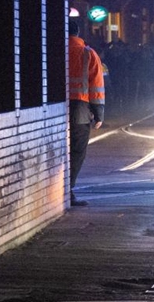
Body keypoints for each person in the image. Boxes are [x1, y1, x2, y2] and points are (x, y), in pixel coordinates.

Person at [68, 19, 105, 206]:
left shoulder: (53, 50)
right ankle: (68, 191)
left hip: (56, 108)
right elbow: (96, 86)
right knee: (77, 151)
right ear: (79, 33)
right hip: (80, 110)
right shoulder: (88, 53)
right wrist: (99, 113)